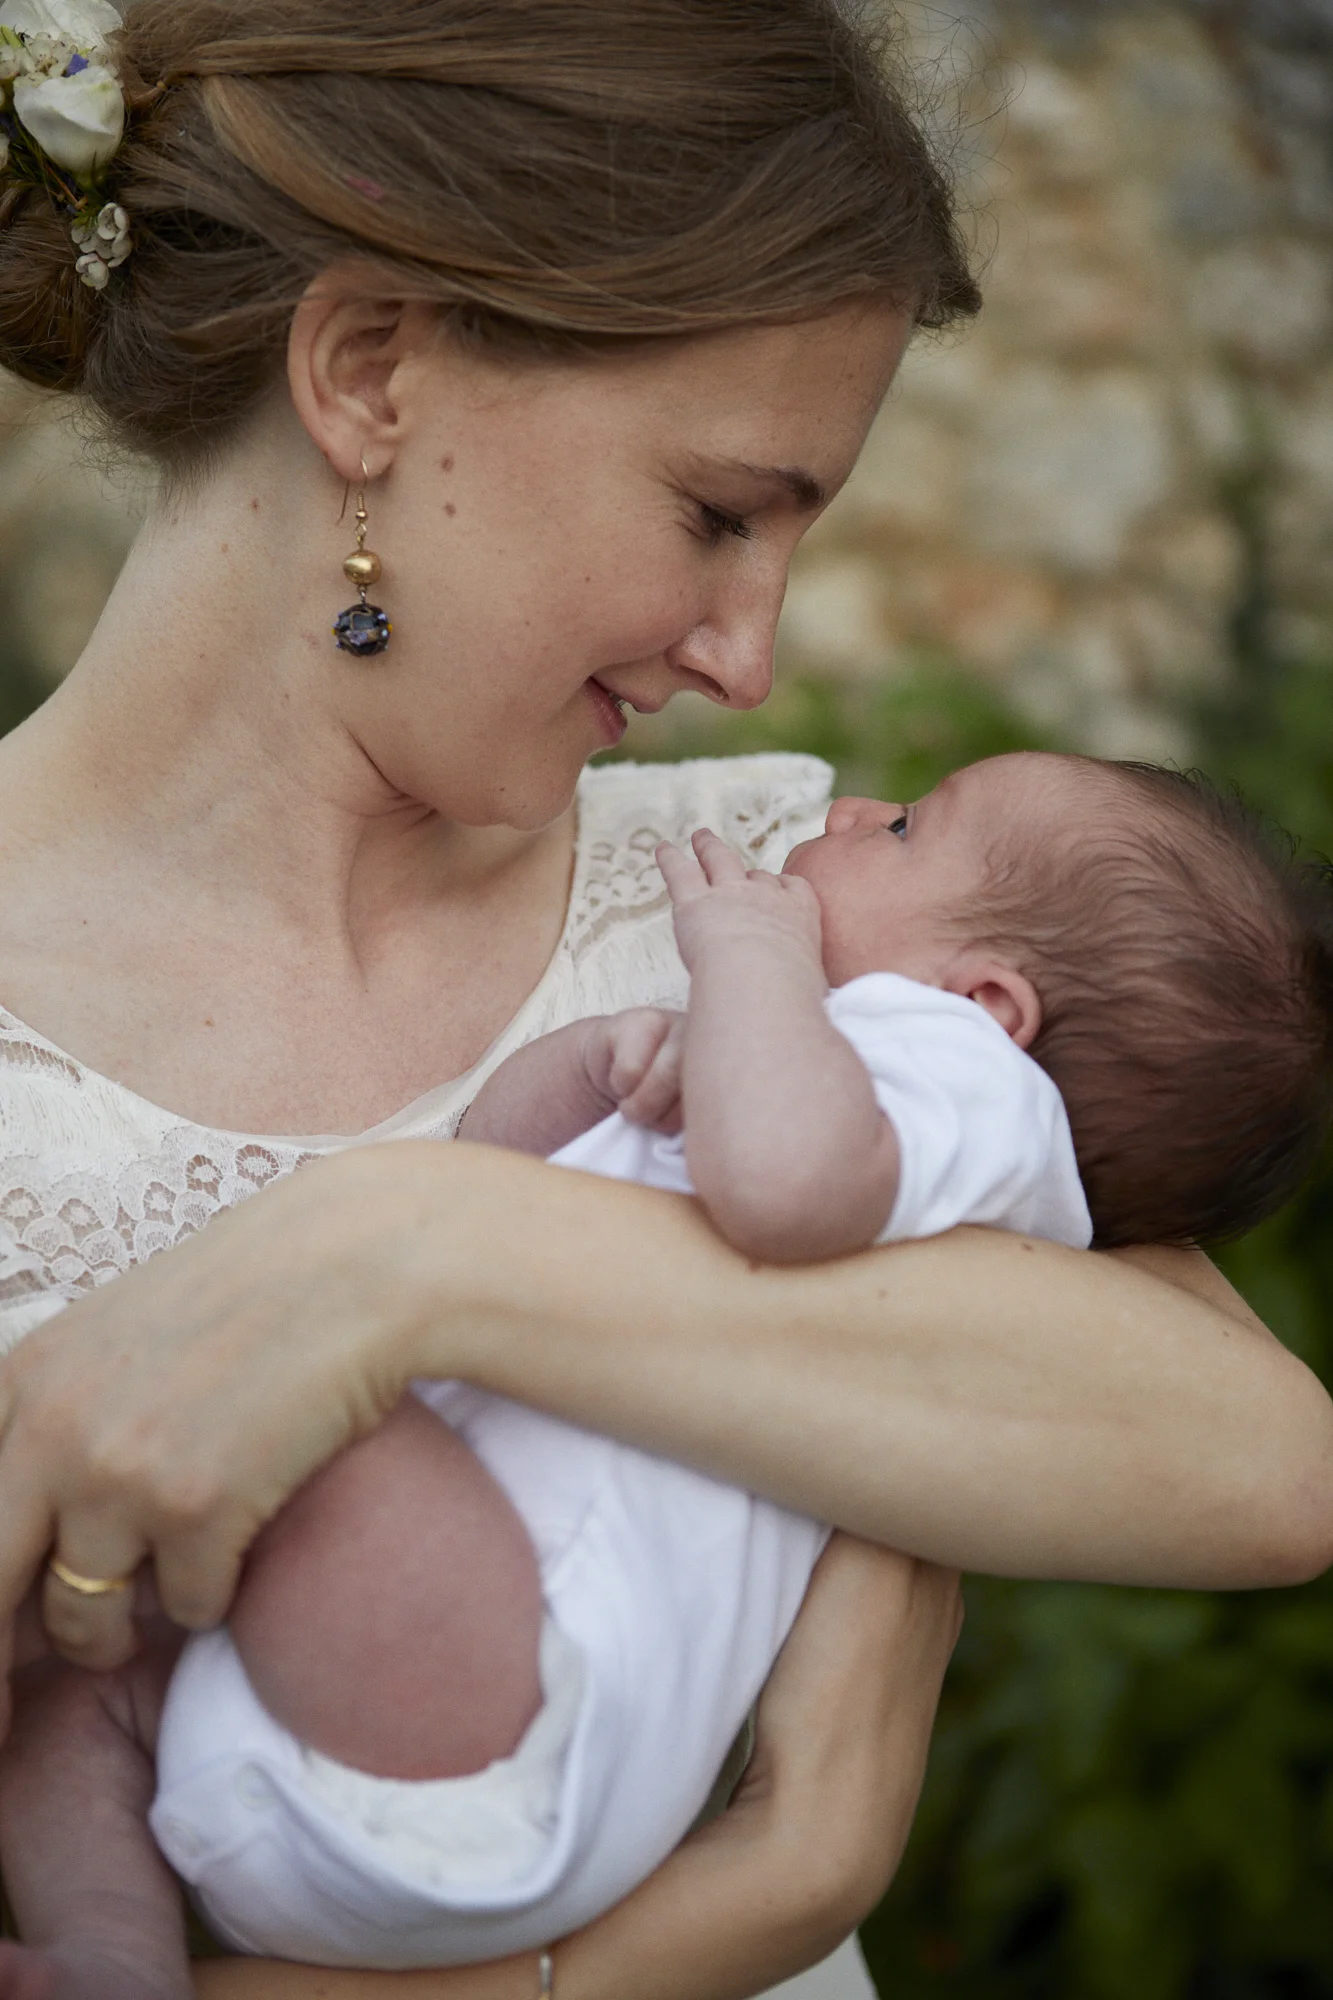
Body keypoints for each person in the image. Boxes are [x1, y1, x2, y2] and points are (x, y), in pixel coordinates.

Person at [0, 1, 1331, 1995]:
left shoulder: (774, 905)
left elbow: (1262, 1459)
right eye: (720, 512)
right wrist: (765, 1891)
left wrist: (414, 1246)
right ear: (370, 373)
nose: (756, 654)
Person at [4, 749, 1333, 1998]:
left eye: (912, 826)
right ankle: (104, 1960)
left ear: (987, 1008)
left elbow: (781, 1191)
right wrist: (591, 1064)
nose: (859, 811)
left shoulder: (964, 1096)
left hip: (507, 1696)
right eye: (712, 513)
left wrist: (749, 954)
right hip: (366, 1719)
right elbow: (494, 1179)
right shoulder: (840, 1058)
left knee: (286, 1394)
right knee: (80, 1691)